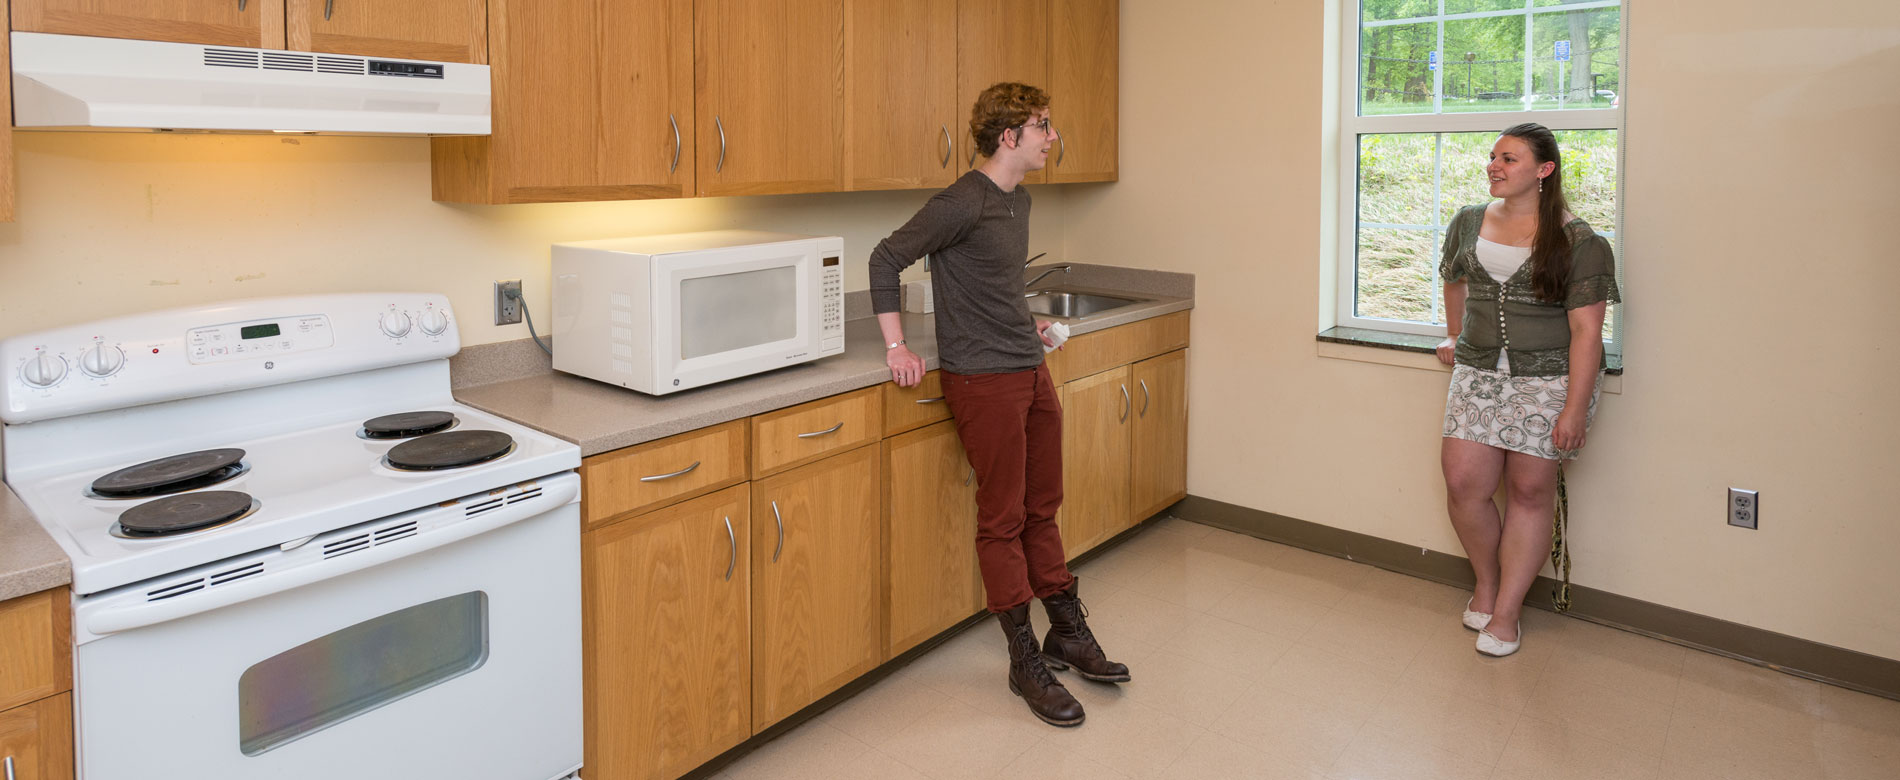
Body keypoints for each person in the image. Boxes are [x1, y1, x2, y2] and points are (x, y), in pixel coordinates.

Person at [867, 82, 1128, 727]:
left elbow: (997, 284)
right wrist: (897, 346)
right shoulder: (960, 202)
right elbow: (884, 258)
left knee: (1044, 506)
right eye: (1043, 125)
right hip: (982, 381)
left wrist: (1031, 325)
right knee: (1003, 518)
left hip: (1029, 370)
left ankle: (1064, 630)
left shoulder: (1020, 200)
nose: (1052, 135)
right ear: (1009, 136)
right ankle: (1022, 658)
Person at [1434, 122, 1620, 658]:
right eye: (1493, 156)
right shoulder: (1468, 222)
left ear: (1544, 170)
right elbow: (1453, 278)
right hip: (1477, 372)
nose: (1494, 165)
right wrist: (1453, 332)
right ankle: (1486, 584)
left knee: (1530, 492)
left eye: (1509, 159)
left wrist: (1574, 410)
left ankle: (1508, 612)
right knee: (1465, 483)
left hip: (1549, 380)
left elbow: (1587, 333)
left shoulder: (1581, 242)